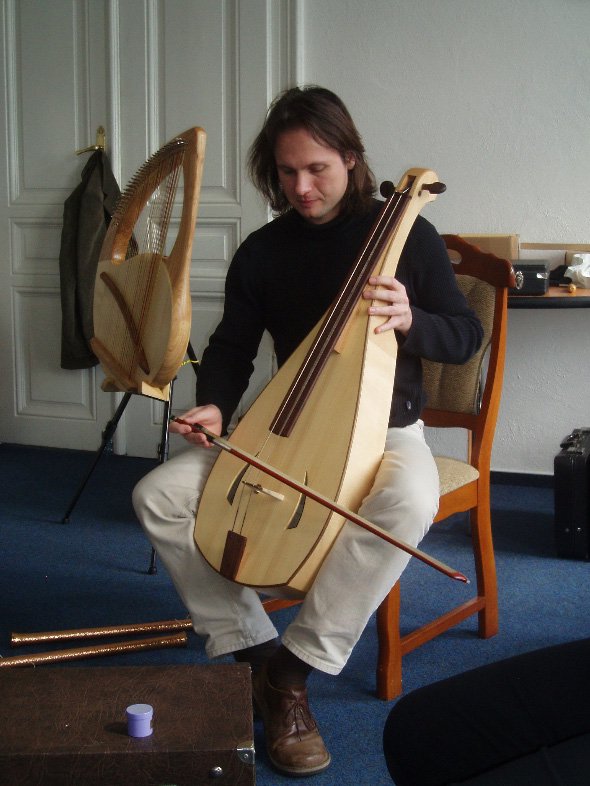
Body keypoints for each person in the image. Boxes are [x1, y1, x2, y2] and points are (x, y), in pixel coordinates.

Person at [133, 85, 483, 777]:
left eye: (317, 169)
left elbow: (465, 336)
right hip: (282, 429)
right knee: (159, 496)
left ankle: (296, 670)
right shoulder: (263, 251)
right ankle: (254, 650)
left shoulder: (404, 233)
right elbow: (232, 344)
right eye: (287, 171)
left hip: (387, 432)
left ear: (351, 158)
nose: (301, 187)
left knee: (409, 501)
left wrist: (411, 318)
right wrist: (216, 407)